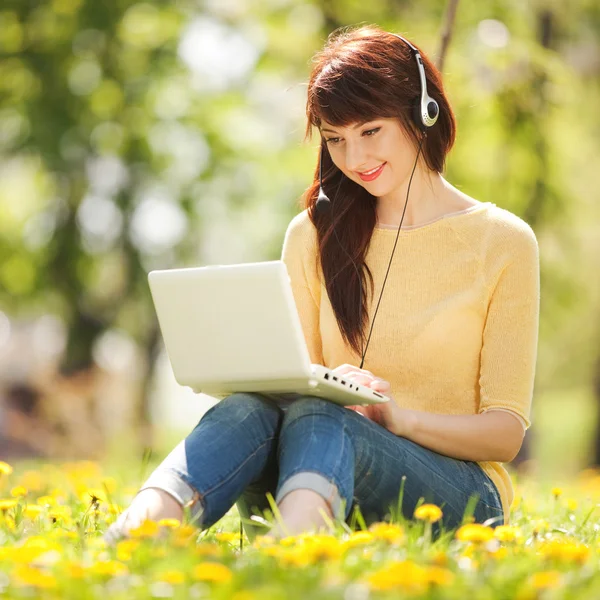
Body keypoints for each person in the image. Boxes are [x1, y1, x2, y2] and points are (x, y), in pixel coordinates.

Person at [104, 24, 539, 545]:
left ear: (422, 113)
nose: (354, 159)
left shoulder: (502, 241)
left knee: (320, 414)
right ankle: (135, 538)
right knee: (253, 408)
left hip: (458, 497)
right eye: (336, 140)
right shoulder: (314, 234)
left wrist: (398, 419)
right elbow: (291, 393)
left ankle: (291, 560)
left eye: (370, 131)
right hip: (321, 468)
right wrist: (332, 385)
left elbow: (505, 434)